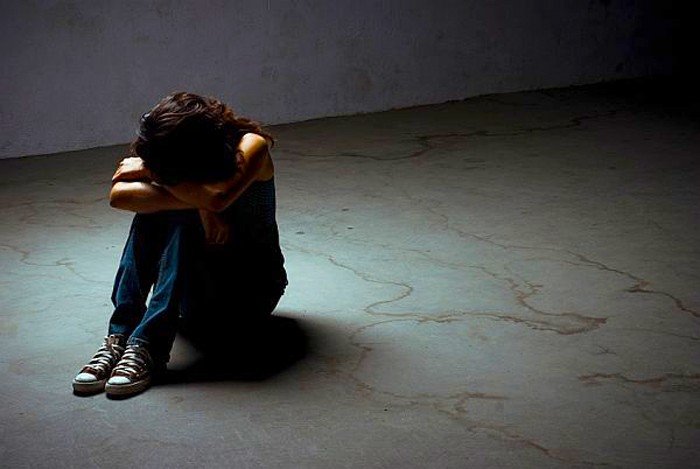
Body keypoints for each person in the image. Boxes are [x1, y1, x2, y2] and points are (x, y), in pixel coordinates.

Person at [72, 92, 288, 397]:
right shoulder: (179, 160)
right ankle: (119, 338)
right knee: (160, 211)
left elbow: (217, 197)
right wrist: (198, 205)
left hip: (247, 294)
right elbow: (118, 195)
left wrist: (152, 172)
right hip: (194, 295)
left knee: (178, 213)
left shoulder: (252, 145)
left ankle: (148, 347)